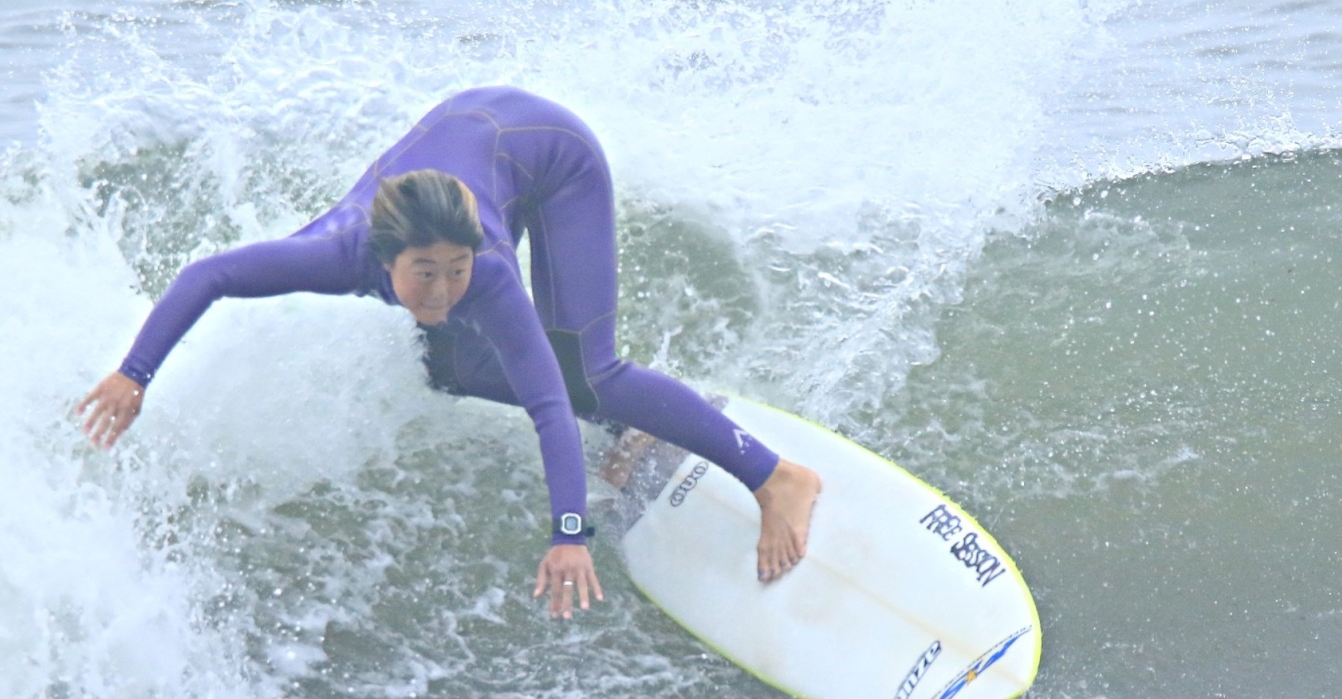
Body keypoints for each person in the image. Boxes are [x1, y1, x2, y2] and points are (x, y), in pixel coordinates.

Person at [79, 86, 822, 619]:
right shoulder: (337, 253)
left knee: (582, 373)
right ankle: (631, 433)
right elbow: (209, 277)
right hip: (467, 136)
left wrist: (569, 534)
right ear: (384, 261)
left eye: (454, 272)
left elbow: (546, 406)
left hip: (550, 155)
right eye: (424, 276)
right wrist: (132, 374)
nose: (440, 293)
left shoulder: (486, 275)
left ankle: (775, 477)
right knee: (446, 367)